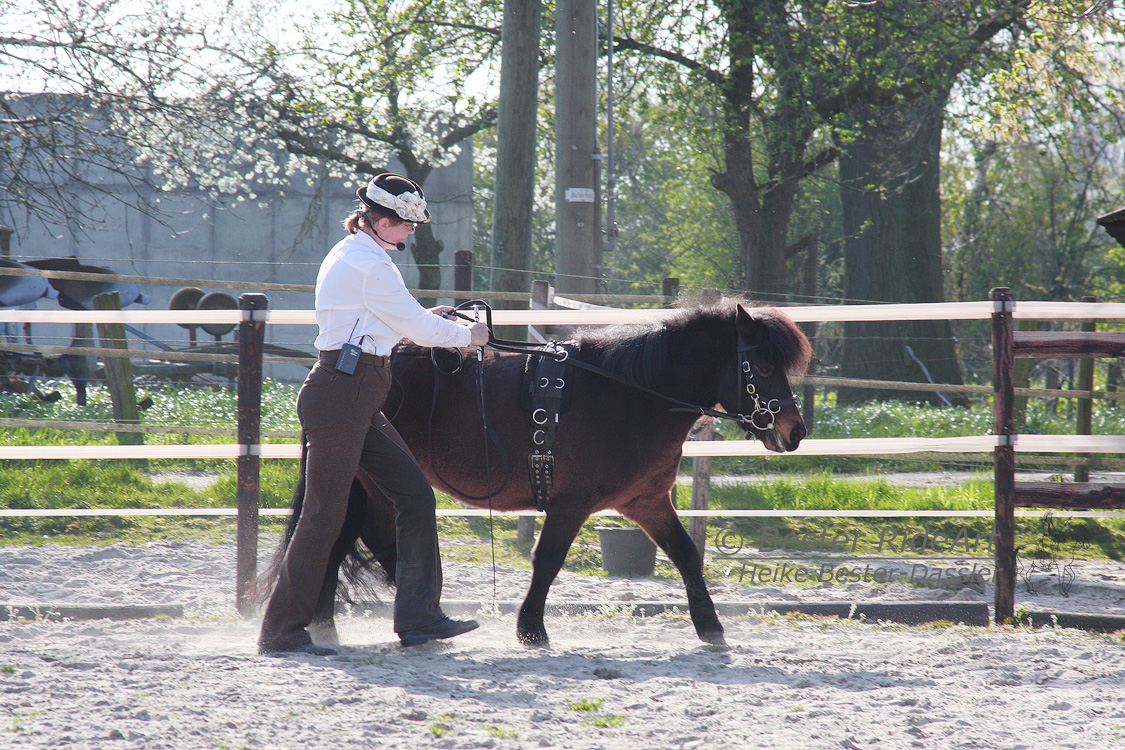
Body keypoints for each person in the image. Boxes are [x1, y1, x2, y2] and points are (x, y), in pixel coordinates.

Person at [258, 173, 490, 655]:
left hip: (353, 391)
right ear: (381, 221)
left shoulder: (358, 255)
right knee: (323, 514)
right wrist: (469, 337)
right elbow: (412, 326)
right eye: (406, 225)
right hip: (345, 393)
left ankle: (419, 616)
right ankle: (281, 631)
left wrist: (435, 318)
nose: (411, 232)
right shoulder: (372, 265)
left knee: (413, 494)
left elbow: (393, 319)